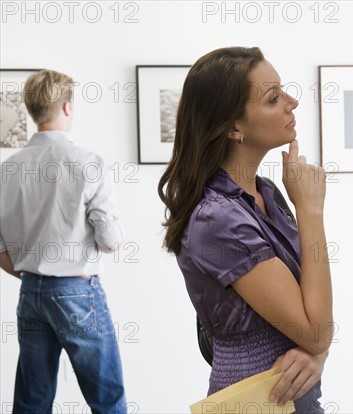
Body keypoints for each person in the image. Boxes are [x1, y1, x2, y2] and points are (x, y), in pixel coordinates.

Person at [158, 47, 334, 412]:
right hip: (260, 400)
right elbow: (316, 331)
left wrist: (317, 355)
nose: (292, 102)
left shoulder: (267, 194)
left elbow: (315, 320)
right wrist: (312, 210)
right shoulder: (218, 218)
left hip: (294, 396)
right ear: (234, 128)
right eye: (274, 98)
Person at [0, 69, 127, 413]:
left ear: (31, 109)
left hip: (30, 294)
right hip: (79, 293)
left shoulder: (7, 170)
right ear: (68, 107)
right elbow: (111, 241)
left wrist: (37, 275)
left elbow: (1, 252)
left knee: (31, 401)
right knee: (107, 399)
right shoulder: (90, 164)